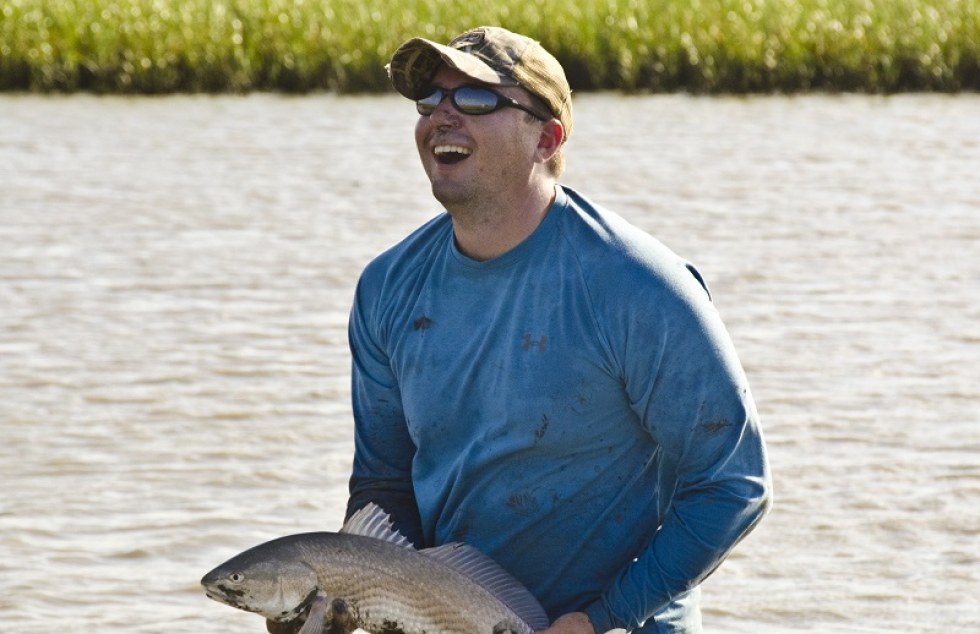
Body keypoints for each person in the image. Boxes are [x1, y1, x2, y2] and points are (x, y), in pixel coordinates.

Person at [343, 26, 771, 634]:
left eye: (474, 100)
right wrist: (346, 586)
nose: (441, 117)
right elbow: (384, 481)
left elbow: (733, 483)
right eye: (430, 101)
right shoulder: (386, 287)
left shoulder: (639, 285)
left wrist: (601, 620)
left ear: (546, 137)